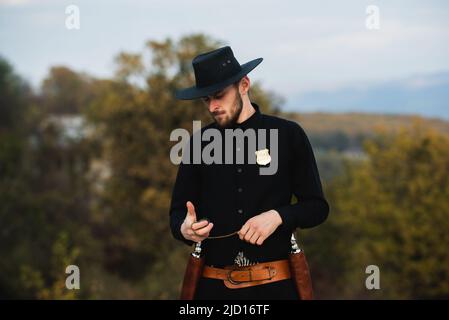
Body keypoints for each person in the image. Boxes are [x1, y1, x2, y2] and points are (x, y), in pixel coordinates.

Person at [169, 46, 329, 299]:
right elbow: (177, 215)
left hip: (277, 289)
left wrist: (278, 216)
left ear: (244, 84)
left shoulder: (288, 135)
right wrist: (185, 229)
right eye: (207, 99)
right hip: (212, 292)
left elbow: (317, 208)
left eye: (219, 95)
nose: (212, 107)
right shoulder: (197, 144)